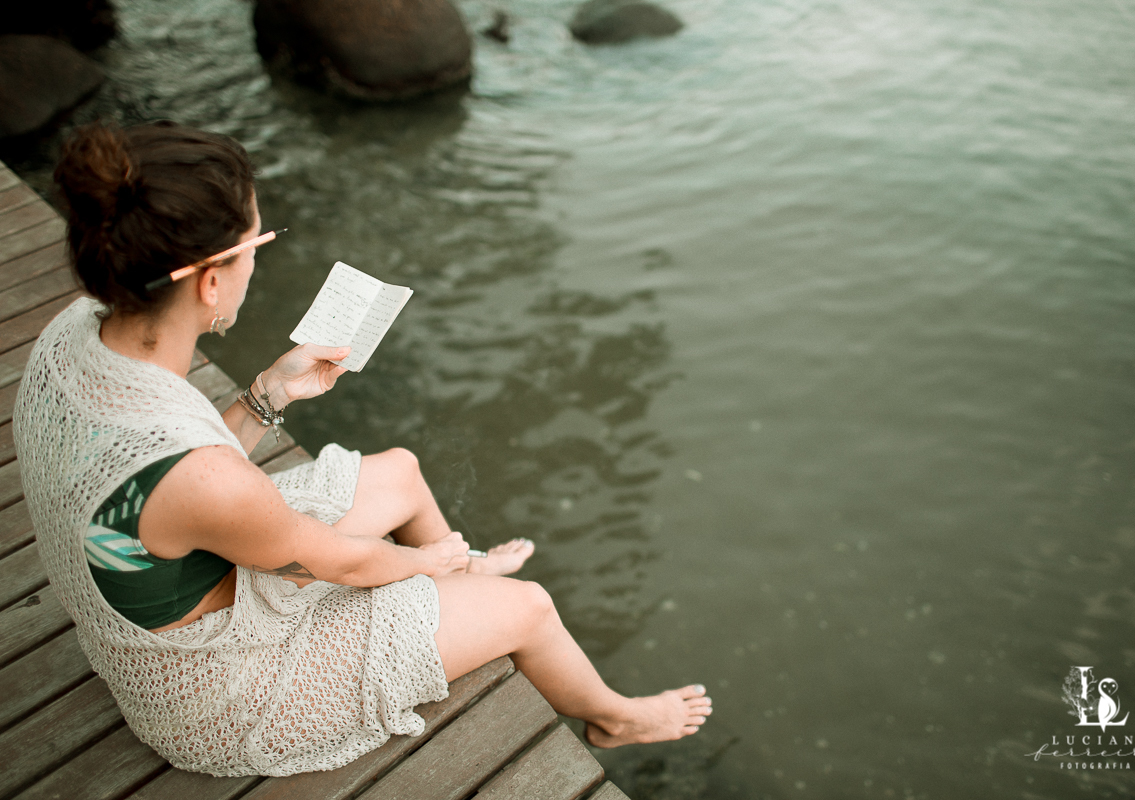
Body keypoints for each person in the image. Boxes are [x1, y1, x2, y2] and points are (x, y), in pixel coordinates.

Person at [13, 120, 710, 777]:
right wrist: (431, 565)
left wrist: (268, 394)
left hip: (187, 570)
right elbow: (332, 561)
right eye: (258, 247)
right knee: (528, 608)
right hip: (218, 689)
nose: (259, 263)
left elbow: (158, 490)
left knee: (402, 473)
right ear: (211, 278)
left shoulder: (71, 335)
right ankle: (614, 716)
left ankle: (464, 582)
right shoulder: (201, 475)